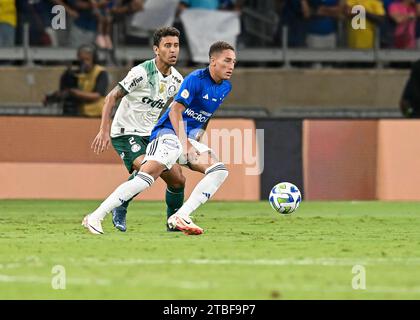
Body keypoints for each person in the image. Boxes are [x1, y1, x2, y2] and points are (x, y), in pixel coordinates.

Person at [82, 40, 235, 236]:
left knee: (218, 170)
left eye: (233, 62)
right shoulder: (195, 79)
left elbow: (206, 115)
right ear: (213, 61)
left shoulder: (225, 87)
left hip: (182, 138)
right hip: (167, 134)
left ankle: (180, 216)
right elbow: (174, 112)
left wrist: (197, 137)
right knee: (146, 178)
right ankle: (96, 216)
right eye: (227, 61)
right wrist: (185, 142)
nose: (231, 66)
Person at [90, 27, 185, 232]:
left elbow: (176, 111)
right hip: (126, 133)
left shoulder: (177, 80)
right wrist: (103, 130)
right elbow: (111, 97)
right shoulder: (141, 72)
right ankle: (120, 205)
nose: (173, 50)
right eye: (167, 45)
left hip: (151, 134)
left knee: (178, 179)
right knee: (149, 169)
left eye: (176, 45)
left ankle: (174, 223)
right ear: (156, 50)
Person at [44, 44, 108, 116]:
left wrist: (76, 93)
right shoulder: (72, 73)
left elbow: (97, 95)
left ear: (94, 59)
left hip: (97, 113)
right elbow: (65, 92)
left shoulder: (100, 72)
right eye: (82, 60)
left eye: (87, 59)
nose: (84, 63)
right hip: (80, 113)